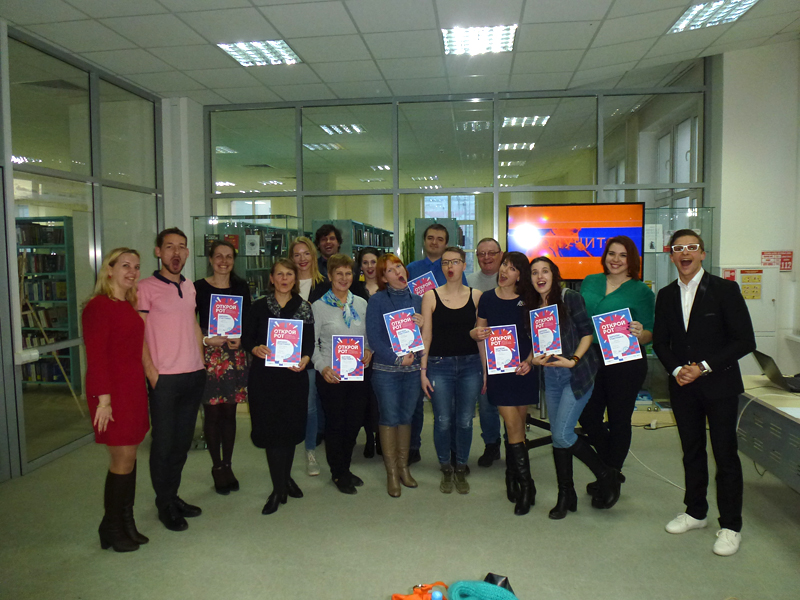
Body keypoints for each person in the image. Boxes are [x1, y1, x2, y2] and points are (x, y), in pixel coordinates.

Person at [653, 230, 755, 556]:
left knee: (725, 455)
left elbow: (744, 340)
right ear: (671, 255)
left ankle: (731, 526)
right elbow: (661, 342)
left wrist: (703, 367)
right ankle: (696, 512)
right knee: (691, 451)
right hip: (683, 386)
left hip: (720, 385)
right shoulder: (666, 295)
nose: (685, 254)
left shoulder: (725, 290)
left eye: (692, 248)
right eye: (678, 249)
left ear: (702, 254)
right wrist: (676, 370)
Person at [528, 256, 620, 520]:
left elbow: (587, 334)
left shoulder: (570, 298)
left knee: (562, 434)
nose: (540, 277)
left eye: (545, 271)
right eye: (534, 272)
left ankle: (606, 474)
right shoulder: (534, 306)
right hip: (551, 376)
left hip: (577, 374)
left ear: (554, 275)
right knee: (559, 436)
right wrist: (532, 359)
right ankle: (566, 494)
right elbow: (538, 342)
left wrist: (574, 360)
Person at [139, 228, 206, 532]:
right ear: (158, 252)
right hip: (164, 379)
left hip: (193, 374)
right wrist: (151, 373)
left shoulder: (189, 286)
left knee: (181, 444)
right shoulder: (145, 288)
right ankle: (164, 503)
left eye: (181, 247)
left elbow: (193, 323)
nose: (176, 253)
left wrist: (201, 362)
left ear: (187, 253)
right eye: (169, 247)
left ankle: (172, 495)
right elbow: (138, 333)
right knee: (163, 445)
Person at [83, 248, 149, 552]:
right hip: (111, 392)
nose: (132, 271)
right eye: (125, 265)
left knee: (130, 455)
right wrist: (104, 401)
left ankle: (125, 521)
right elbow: (96, 357)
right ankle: (111, 526)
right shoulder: (98, 306)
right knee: (121, 458)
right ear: (109, 270)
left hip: (132, 388)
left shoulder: (127, 304)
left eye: (136, 266)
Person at [579, 236, 654, 496]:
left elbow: (650, 332)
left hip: (625, 361)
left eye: (623, 255)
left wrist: (640, 333)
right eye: (612, 253)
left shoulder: (642, 291)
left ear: (631, 260)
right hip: (590, 358)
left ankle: (610, 479)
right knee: (587, 415)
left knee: (619, 419)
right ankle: (609, 472)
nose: (616, 259)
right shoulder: (591, 281)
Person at [241, 258, 315, 515]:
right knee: (272, 431)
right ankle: (278, 489)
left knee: (290, 430)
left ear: (295, 279)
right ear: (271, 278)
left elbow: (309, 344)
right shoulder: (259, 307)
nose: (284, 279)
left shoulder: (304, 307)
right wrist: (254, 348)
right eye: (280, 275)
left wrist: (305, 359)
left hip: (294, 378)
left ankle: (284, 480)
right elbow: (246, 338)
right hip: (265, 379)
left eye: (289, 275)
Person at [472, 251, 538, 515]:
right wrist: (486, 370)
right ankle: (527, 485)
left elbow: (538, 337)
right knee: (512, 426)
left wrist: (531, 361)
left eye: (511, 268)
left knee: (518, 428)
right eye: (504, 266)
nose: (504, 271)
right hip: (499, 372)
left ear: (520, 275)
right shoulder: (487, 298)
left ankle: (512, 476)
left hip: (524, 370)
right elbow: (479, 334)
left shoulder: (530, 299)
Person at [420, 247, 482, 494]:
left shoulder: (477, 296)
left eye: (455, 262)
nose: (450, 267)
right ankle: (446, 465)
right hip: (439, 365)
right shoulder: (430, 296)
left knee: (465, 420)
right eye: (445, 263)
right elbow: (426, 336)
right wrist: (422, 371)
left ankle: (461, 466)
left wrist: (486, 371)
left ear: (464, 265)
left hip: (470, 365)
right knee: (443, 420)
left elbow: (481, 338)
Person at [312, 254, 373, 494]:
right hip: (331, 376)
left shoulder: (361, 304)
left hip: (357, 374)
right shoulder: (319, 306)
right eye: (339, 273)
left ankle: (345, 467)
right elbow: (311, 344)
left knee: (354, 423)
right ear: (330, 276)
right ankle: (338, 472)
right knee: (336, 425)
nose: (344, 278)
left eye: (348, 273)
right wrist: (322, 367)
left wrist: (369, 350)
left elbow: (368, 337)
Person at [406, 224, 467, 465]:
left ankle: (454, 451)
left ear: (446, 243)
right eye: (430, 238)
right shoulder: (411, 269)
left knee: (452, 407)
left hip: (446, 343)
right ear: (424, 241)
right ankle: (413, 445)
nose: (434, 242)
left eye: (440, 239)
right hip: (417, 339)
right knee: (417, 402)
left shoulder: (452, 269)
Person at [194, 240, 251, 495]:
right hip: (208, 356)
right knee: (212, 413)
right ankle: (216, 466)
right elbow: (190, 324)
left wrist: (242, 339)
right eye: (219, 256)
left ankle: (227, 464)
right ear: (210, 259)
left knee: (229, 412)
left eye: (228, 256)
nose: (224, 261)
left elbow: (247, 321)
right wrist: (206, 340)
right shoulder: (198, 288)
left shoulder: (241, 287)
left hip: (234, 356)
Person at [365, 254, 425, 498]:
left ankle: (403, 467)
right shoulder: (377, 301)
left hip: (412, 371)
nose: (398, 271)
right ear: (383, 278)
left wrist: (423, 325)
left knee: (406, 417)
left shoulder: (419, 300)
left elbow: (425, 340)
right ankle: (391, 472)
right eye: (390, 270)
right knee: (389, 417)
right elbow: (374, 338)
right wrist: (396, 358)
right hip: (386, 371)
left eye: (399, 266)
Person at [289, 236, 331, 477]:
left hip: (313, 354)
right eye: (297, 254)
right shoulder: (285, 281)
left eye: (306, 253)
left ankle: (310, 451)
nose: (302, 259)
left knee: (310, 405)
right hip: (287, 353)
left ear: (313, 256)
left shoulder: (324, 285)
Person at [466, 238, 504, 468]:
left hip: (509, 350)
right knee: (486, 400)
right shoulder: (469, 281)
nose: (487, 257)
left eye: (492, 253)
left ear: (501, 254)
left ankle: (515, 444)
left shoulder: (511, 277)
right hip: (480, 351)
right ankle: (492, 444)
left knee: (512, 401)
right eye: (481, 254)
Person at [351, 246, 382, 459]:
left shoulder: (386, 286)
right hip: (359, 350)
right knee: (364, 396)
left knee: (379, 396)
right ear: (360, 266)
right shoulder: (354, 288)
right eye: (365, 262)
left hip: (382, 350)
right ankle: (369, 437)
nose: (370, 267)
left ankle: (380, 436)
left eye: (373, 262)